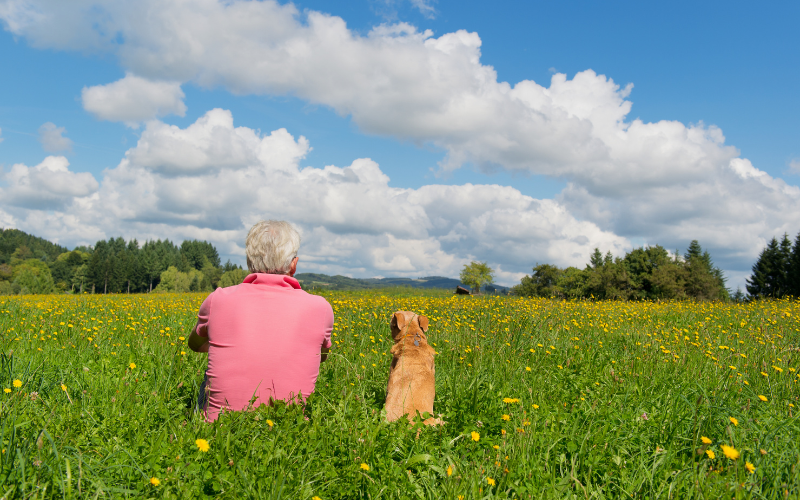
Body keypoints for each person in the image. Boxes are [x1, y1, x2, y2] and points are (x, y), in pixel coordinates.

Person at [187, 220, 333, 422]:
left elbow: (194, 345)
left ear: (249, 262)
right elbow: (321, 356)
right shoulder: (320, 307)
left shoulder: (218, 299)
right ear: (294, 264)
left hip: (219, 429)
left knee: (209, 373)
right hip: (289, 427)